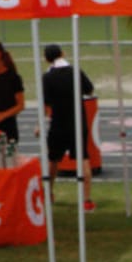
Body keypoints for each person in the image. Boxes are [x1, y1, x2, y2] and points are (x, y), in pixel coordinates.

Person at [41, 42, 95, 213]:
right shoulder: (75, 71)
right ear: (62, 53)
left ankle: (48, 193)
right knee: (83, 159)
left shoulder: (47, 77)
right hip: (77, 122)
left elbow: (46, 105)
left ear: (46, 59)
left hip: (58, 123)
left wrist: (41, 123)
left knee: (53, 159)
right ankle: (86, 200)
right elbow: (90, 90)